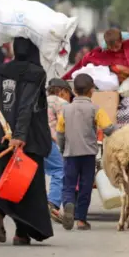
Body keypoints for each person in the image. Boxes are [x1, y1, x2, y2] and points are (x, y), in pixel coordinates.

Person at [0, 37, 53, 246]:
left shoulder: (1, 70)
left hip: (0, 133)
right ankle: (21, 234)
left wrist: (0, 102)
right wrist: (19, 136)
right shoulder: (36, 73)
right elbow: (26, 105)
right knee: (25, 185)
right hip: (26, 139)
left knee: (5, 180)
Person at [56, 73, 117, 231]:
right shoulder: (96, 109)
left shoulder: (66, 110)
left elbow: (60, 133)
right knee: (85, 186)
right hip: (88, 154)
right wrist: (123, 130)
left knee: (68, 185)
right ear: (91, 91)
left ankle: (69, 204)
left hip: (70, 154)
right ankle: (81, 220)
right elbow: (108, 129)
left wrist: (63, 149)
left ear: (74, 91)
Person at [45, 78, 73, 223]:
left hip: (31, 141)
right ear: (63, 91)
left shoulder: (40, 99)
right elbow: (64, 127)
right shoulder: (62, 103)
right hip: (50, 142)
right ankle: (53, 203)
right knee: (59, 170)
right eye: (69, 94)